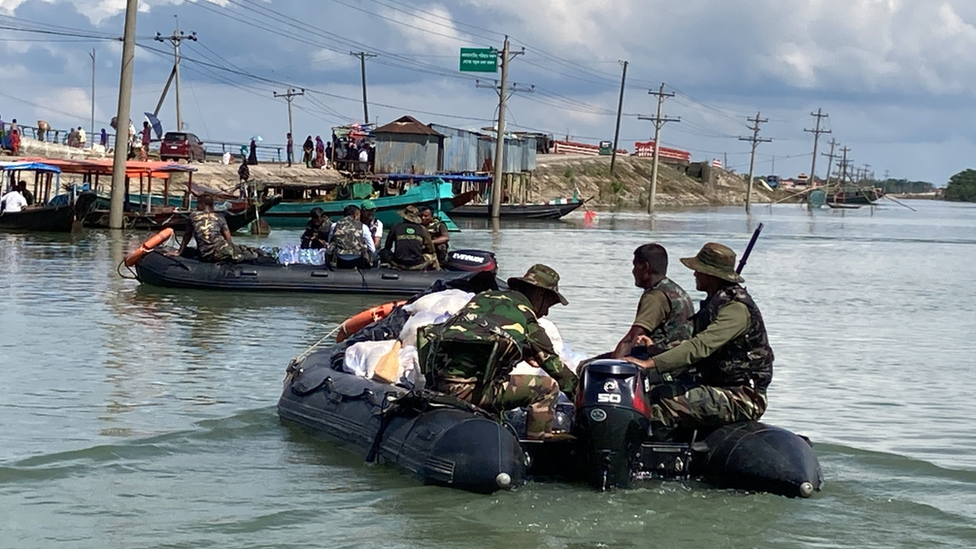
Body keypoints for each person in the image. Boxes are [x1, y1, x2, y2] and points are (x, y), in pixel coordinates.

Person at [623, 243, 774, 440]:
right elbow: (690, 343)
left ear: (711, 275)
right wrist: (654, 349)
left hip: (742, 396)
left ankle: (646, 455)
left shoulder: (735, 309)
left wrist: (649, 364)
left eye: (698, 270)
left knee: (663, 404)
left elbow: (701, 346)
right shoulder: (715, 304)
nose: (694, 274)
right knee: (654, 392)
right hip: (716, 386)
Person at [419, 264, 579, 440]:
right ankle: (537, 444)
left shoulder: (483, 298)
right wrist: (580, 398)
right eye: (548, 304)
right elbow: (556, 369)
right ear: (540, 294)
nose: (546, 312)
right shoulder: (527, 318)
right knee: (547, 388)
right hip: (470, 391)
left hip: (436, 384)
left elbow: (477, 335)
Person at [611, 244, 694, 359]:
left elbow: (630, 340)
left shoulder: (655, 296)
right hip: (679, 359)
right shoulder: (675, 291)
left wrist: (613, 366)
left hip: (662, 363)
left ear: (645, 267)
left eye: (635, 266)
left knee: (589, 366)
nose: (633, 271)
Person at [176, 193, 268, 263]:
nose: (196, 206)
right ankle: (261, 255)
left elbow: (187, 235)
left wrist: (179, 251)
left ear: (201, 205)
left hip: (205, 254)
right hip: (221, 251)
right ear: (212, 206)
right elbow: (228, 238)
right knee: (245, 250)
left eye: (197, 204)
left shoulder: (192, 216)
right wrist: (232, 250)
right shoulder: (220, 217)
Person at [381, 205, 437, 270]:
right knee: (433, 256)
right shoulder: (422, 229)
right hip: (417, 264)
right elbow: (431, 249)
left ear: (403, 217)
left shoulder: (395, 227)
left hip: (398, 263)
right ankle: (436, 272)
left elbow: (387, 246)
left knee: (384, 252)